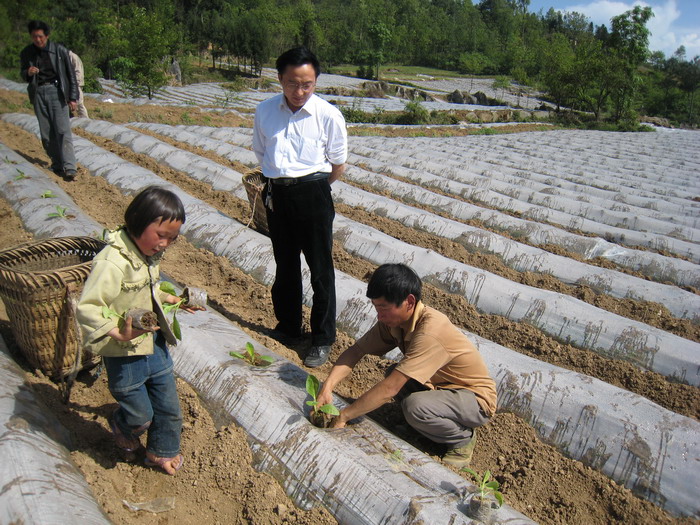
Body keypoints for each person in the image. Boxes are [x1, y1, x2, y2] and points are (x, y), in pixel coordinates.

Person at [316, 264, 497, 467]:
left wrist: (344, 416)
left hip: (474, 399)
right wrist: (328, 386)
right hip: (441, 387)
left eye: (383, 308)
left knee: (414, 406)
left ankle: (462, 438)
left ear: (409, 302)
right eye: (376, 307)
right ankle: (428, 422)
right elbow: (356, 351)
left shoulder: (430, 331)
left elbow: (390, 389)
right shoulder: (394, 323)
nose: (379, 316)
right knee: (395, 372)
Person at [77, 186, 203, 475]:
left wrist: (174, 300)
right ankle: (122, 425)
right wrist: (117, 332)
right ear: (137, 221)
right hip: (125, 355)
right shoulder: (112, 262)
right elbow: (89, 307)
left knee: (169, 407)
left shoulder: (146, 256)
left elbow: (149, 287)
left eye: (172, 239)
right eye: (161, 235)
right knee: (140, 415)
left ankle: (161, 453)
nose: (165, 245)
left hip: (153, 345)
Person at [252, 46, 347, 368]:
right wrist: (283, 186)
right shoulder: (265, 111)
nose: (300, 91)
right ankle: (289, 327)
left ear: (316, 81)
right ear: (280, 80)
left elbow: (338, 163)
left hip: (314, 195)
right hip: (277, 193)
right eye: (293, 83)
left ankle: (322, 339)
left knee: (321, 272)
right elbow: (262, 154)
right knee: (285, 267)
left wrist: (314, 190)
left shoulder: (328, 114)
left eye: (307, 84)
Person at [19, 20, 79, 180]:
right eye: (34, 37)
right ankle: (57, 164)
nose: (38, 40)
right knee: (46, 133)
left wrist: (73, 97)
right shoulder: (27, 53)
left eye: (40, 36)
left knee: (62, 130)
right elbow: (23, 73)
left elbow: (71, 75)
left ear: (47, 36)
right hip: (38, 92)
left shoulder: (59, 51)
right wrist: (28, 72)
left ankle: (70, 167)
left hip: (57, 91)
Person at [68, 50, 89, 118]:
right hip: (71, 84)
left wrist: (75, 84)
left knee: (79, 104)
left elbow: (78, 72)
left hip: (76, 85)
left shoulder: (73, 57)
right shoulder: (66, 56)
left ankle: (85, 120)